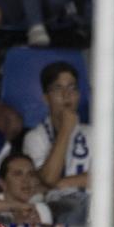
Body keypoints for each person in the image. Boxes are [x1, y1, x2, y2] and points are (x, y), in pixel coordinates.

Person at [22, 61, 90, 207]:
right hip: (51, 209)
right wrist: (65, 130)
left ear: (78, 94)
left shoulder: (95, 134)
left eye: (72, 88)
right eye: (58, 89)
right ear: (46, 98)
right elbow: (48, 178)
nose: (67, 95)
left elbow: (108, 179)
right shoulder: (34, 138)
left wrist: (60, 184)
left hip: (91, 208)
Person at [0, 153, 51, 225]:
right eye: (18, 174)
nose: (26, 180)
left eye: (31, 174)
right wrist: (17, 206)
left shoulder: (40, 208)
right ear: (3, 183)